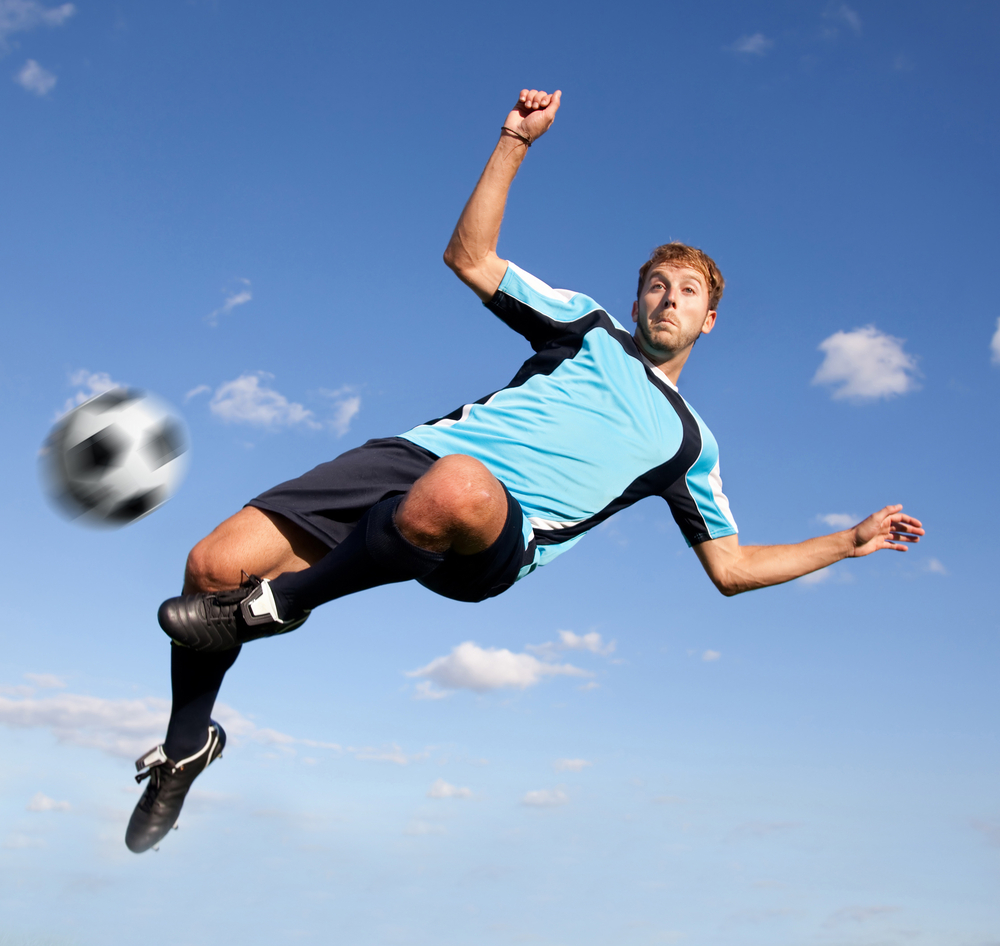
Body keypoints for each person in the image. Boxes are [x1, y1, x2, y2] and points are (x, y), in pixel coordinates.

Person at [125, 88, 924, 853]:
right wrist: (515, 142)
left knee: (460, 487)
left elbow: (733, 567)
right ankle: (185, 750)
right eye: (655, 285)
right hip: (412, 458)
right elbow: (468, 256)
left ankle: (277, 607)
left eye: (685, 293)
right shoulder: (589, 327)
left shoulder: (689, 443)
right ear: (635, 299)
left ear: (708, 321)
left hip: (495, 532)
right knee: (211, 564)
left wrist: (846, 540)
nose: (666, 300)